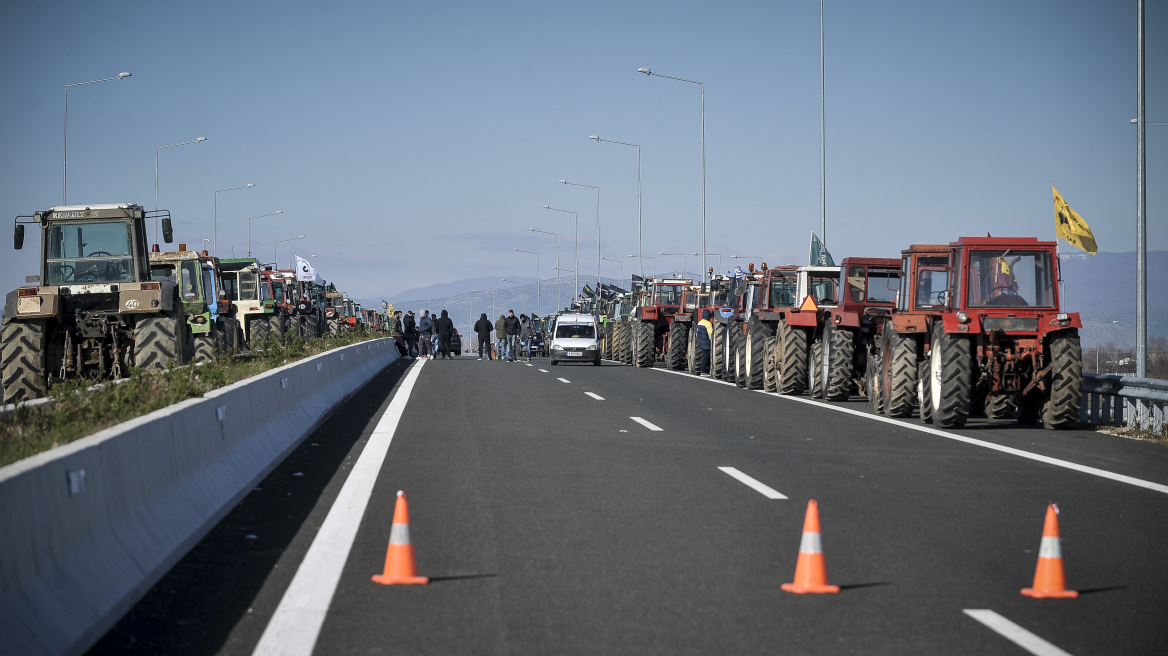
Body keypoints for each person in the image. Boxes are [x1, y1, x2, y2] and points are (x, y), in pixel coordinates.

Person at [696, 309, 714, 376]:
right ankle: (703, 371)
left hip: (701, 342)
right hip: (707, 343)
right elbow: (710, 334)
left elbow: (697, 333)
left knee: (704, 356)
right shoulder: (708, 324)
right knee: (705, 357)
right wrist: (712, 342)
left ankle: (705, 370)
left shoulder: (700, 323)